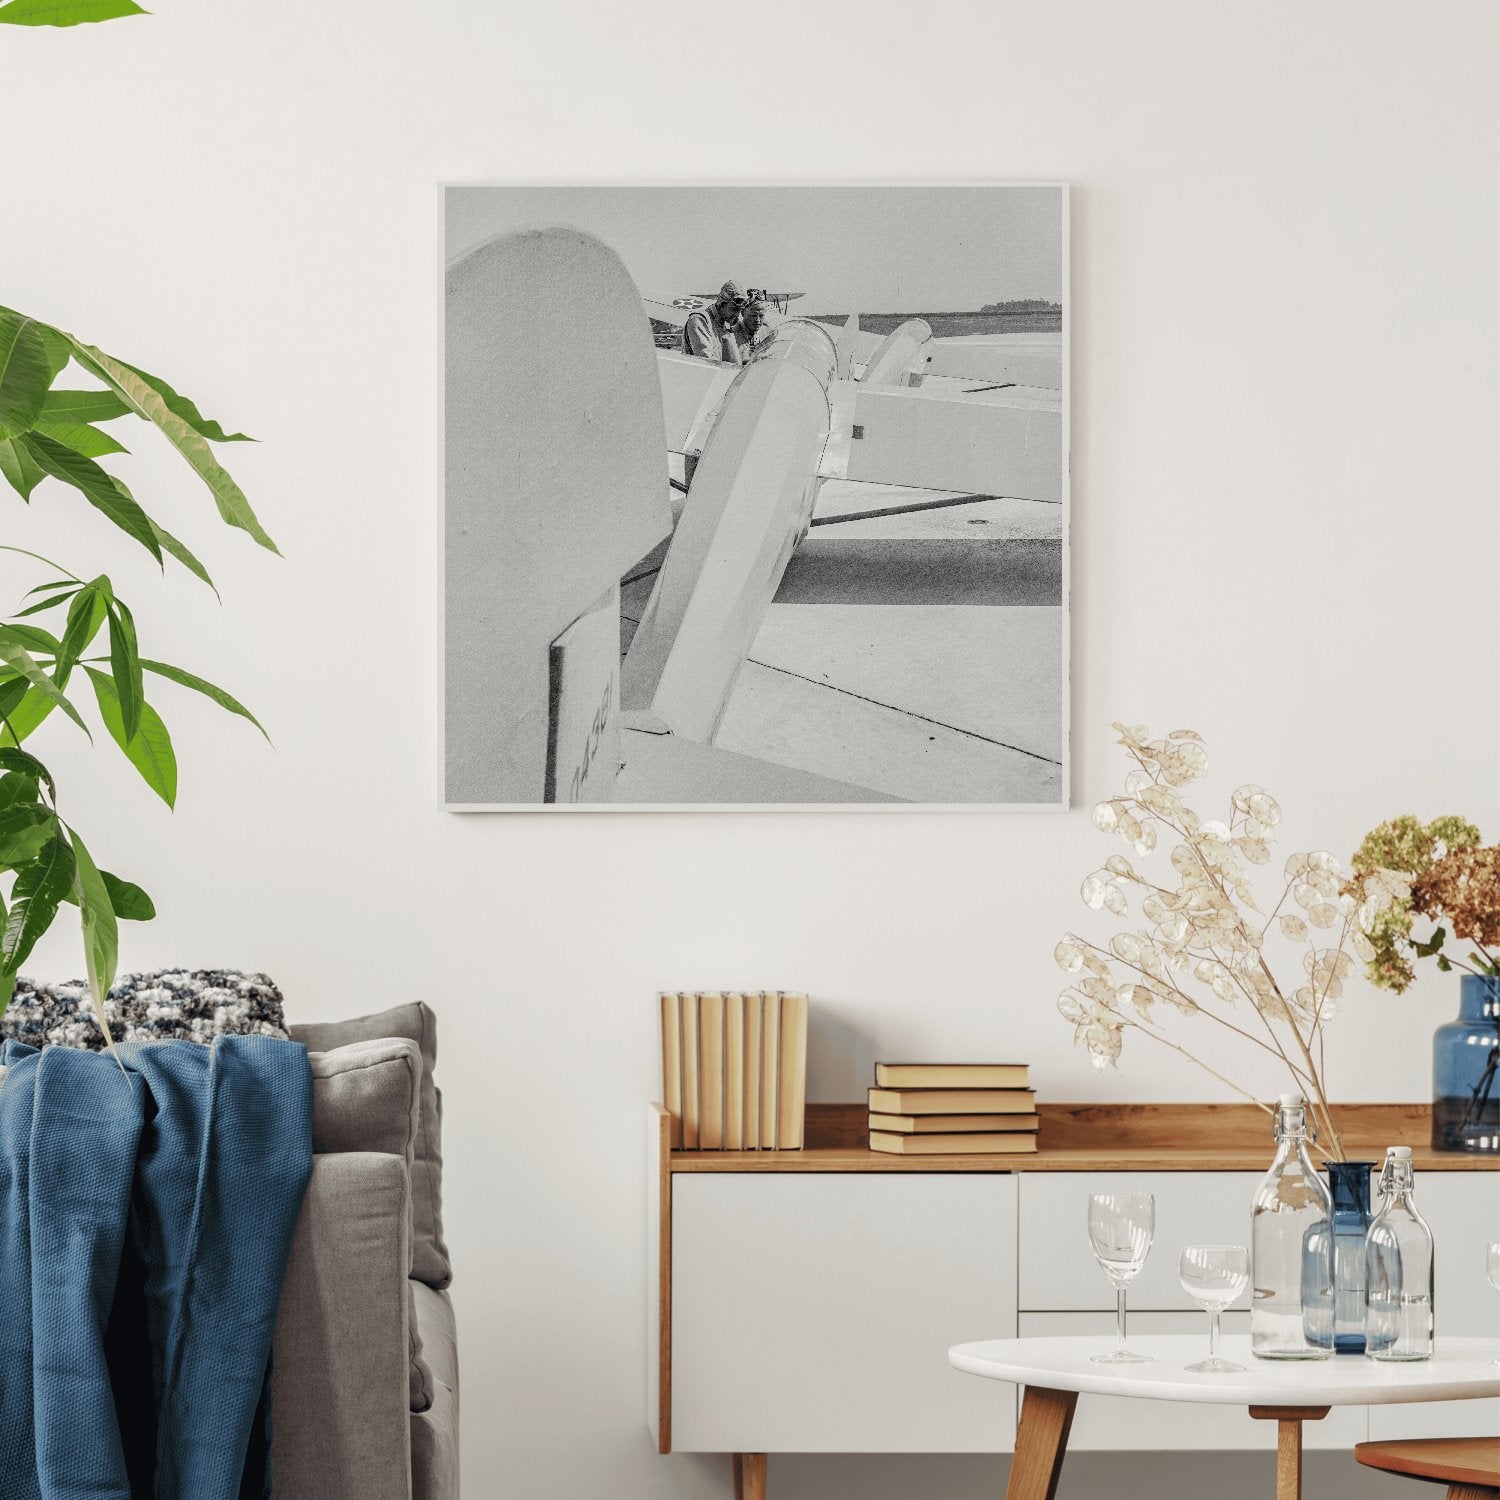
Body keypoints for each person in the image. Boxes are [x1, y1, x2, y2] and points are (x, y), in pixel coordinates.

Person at [681, 281, 748, 364]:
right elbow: (706, 361)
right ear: (722, 303)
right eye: (735, 309)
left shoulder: (726, 324)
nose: (737, 315)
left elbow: (734, 362)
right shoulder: (699, 320)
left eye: (740, 311)